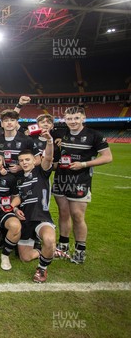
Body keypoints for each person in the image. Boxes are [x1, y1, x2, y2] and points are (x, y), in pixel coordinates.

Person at [52, 106, 113, 264]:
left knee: (77, 216)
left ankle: (80, 252)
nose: (72, 122)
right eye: (69, 119)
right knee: (63, 213)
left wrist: (84, 164)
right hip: (61, 179)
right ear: (65, 119)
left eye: (76, 118)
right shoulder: (60, 133)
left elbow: (107, 157)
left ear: (83, 118)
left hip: (80, 180)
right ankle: (63, 245)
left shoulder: (94, 135)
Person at [14, 130, 57, 283]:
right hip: (24, 220)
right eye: (21, 160)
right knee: (25, 258)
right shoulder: (19, 179)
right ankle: (45, 251)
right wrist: (14, 209)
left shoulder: (41, 172)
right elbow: (17, 197)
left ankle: (42, 269)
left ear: (34, 161)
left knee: (50, 240)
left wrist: (49, 141)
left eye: (27, 159)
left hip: (40, 218)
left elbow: (49, 158)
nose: (24, 162)